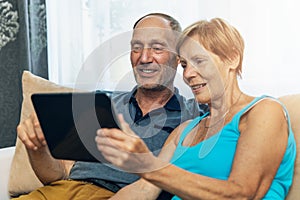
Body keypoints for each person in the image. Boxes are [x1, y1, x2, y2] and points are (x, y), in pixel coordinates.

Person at [96, 18, 296, 200]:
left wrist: (149, 166)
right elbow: (143, 190)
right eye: (184, 65)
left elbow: (241, 195)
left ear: (232, 58)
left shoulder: (264, 111)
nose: (188, 74)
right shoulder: (184, 131)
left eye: (199, 61)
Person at [14, 13, 207, 199]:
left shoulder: (192, 115)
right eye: (137, 48)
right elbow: (57, 176)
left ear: (178, 57)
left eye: (157, 48)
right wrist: (37, 150)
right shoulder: (100, 103)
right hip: (60, 191)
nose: (144, 58)